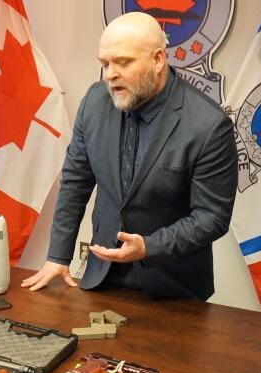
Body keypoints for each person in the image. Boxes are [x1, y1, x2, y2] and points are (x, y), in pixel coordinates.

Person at [21, 12, 237, 300]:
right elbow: (75, 183)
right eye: (105, 63)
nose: (110, 74)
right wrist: (58, 257)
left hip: (174, 289)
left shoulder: (209, 125)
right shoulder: (94, 103)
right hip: (101, 279)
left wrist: (149, 246)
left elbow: (212, 217)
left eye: (123, 62)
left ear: (158, 60)